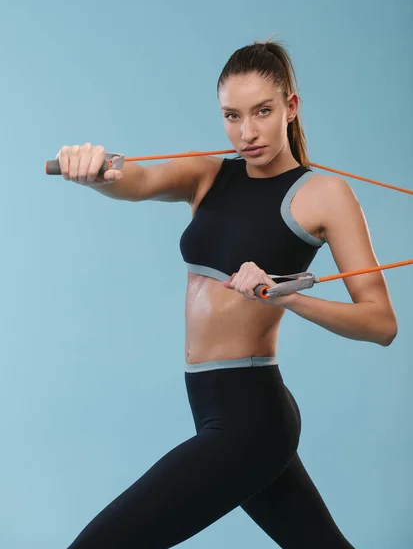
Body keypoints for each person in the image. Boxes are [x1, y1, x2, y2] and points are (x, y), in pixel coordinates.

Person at [62, 40, 397, 548]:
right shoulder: (210, 174)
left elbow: (381, 323)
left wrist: (283, 295)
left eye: (262, 111)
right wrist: (96, 172)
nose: (247, 132)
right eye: (231, 115)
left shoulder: (323, 195)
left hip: (251, 420)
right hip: (213, 406)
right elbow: (137, 178)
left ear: (291, 106)